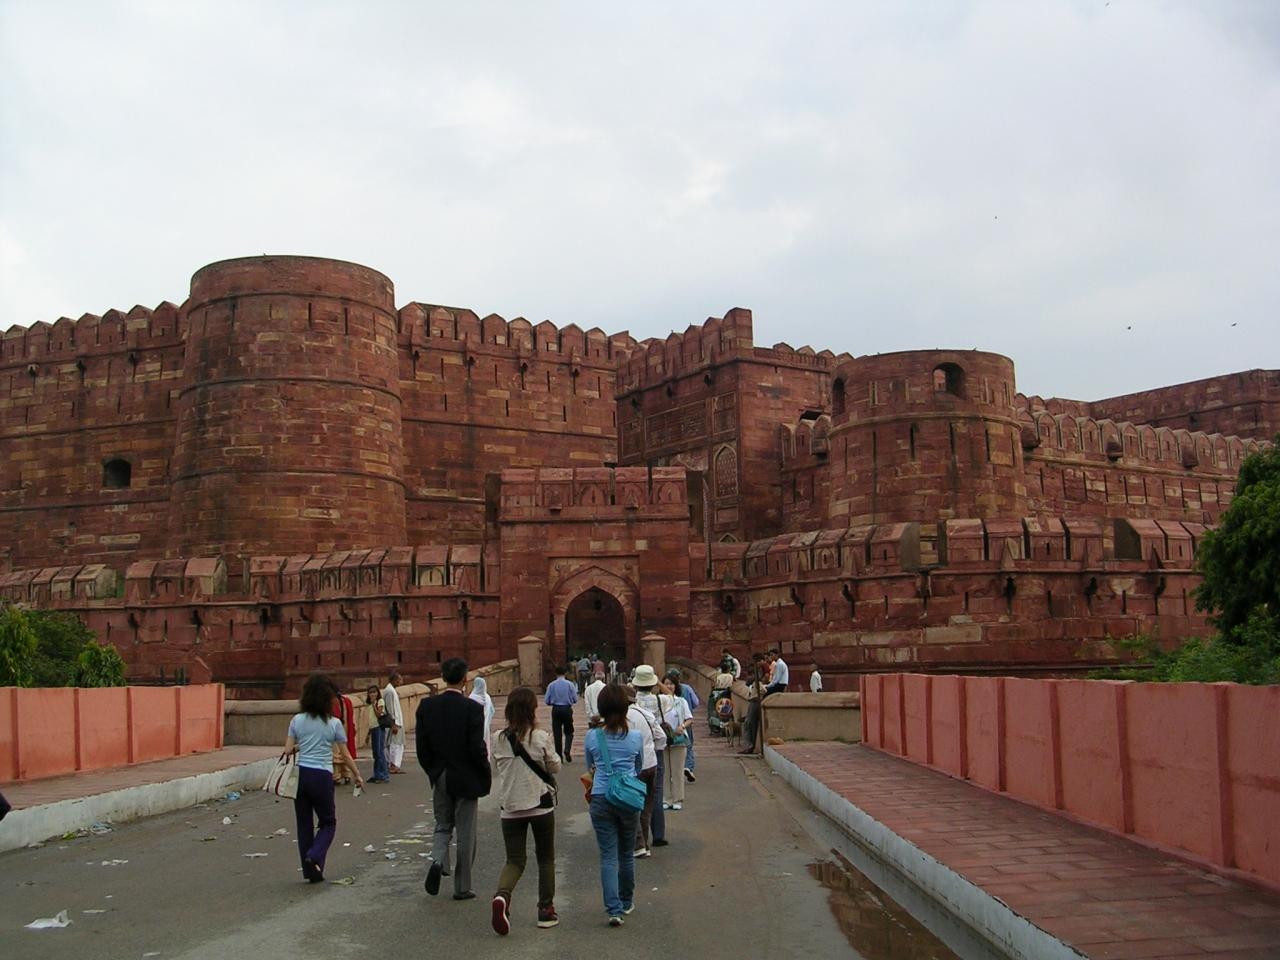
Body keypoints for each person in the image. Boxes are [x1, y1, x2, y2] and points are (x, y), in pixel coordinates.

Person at [417, 657, 492, 901]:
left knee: (442, 825)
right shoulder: (472, 708)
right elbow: (477, 747)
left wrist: (433, 771)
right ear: (465, 679)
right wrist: (484, 772)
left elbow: (422, 747)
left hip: (440, 774)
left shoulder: (427, 706)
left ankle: (438, 860)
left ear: (443, 677)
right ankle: (462, 887)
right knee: (466, 833)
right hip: (466, 775)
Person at [490, 687, 561, 934]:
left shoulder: (498, 738)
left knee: (515, 860)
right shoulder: (540, 737)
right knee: (546, 858)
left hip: (510, 807)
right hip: (540, 804)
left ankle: (502, 896)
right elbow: (555, 766)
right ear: (532, 710)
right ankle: (546, 910)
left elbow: (496, 764)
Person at [284, 673, 364, 883]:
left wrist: (303, 745)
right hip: (322, 775)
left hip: (302, 775)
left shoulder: (297, 720)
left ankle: (310, 870)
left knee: (304, 825)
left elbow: (288, 750)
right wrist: (357, 775)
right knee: (328, 822)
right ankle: (315, 856)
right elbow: (345, 754)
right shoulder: (334, 723)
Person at [584, 684, 644, 926]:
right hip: (628, 797)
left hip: (601, 796)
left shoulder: (592, 737)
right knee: (626, 854)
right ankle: (626, 901)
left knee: (608, 855)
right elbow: (639, 767)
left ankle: (613, 910)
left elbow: (590, 766)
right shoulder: (635, 737)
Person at [631, 665, 670, 853]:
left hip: (636, 748)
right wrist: (659, 683)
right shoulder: (660, 700)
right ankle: (659, 834)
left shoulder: (633, 702)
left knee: (637, 793)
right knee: (656, 792)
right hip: (656, 747)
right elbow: (670, 695)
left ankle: (640, 837)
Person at [624, 685, 660, 854]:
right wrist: (652, 749)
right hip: (651, 763)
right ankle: (645, 843)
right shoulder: (646, 714)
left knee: (632, 805)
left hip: (635, 765)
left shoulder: (625, 717)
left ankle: (638, 844)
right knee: (646, 807)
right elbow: (661, 736)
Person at [659, 677, 693, 810]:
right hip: (663, 739)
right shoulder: (659, 701)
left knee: (677, 771)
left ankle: (678, 799)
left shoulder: (681, 701)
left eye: (671, 684)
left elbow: (689, 718)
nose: (669, 686)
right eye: (666, 684)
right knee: (665, 771)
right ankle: (666, 798)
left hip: (678, 739)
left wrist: (682, 726)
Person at [665, 667, 701, 783]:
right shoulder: (687, 688)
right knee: (688, 743)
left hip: (672, 725)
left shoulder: (671, 698)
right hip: (684, 722)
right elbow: (696, 703)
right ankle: (688, 766)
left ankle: (674, 771)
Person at [544, 664, 578, 762]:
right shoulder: (570, 684)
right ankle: (567, 749)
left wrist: (553, 701)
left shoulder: (551, 685)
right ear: (565, 673)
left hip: (556, 709)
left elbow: (547, 700)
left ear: (556, 673)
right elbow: (575, 699)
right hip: (567, 709)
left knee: (557, 733)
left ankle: (559, 755)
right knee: (569, 731)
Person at [365, 684, 390, 783]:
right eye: (370, 692)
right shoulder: (369, 704)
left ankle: (383, 775)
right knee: (375, 754)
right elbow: (371, 720)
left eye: (374, 692)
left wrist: (373, 704)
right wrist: (368, 734)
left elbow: (379, 715)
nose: (372, 694)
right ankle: (377, 774)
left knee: (379, 752)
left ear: (377, 693)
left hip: (379, 728)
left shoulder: (380, 701)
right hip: (373, 728)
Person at [383, 671, 406, 774]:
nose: (401, 682)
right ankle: (393, 765)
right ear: (395, 680)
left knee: (397, 744)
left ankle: (394, 765)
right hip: (395, 723)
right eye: (399, 680)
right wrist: (393, 724)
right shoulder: (390, 692)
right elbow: (390, 709)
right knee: (394, 745)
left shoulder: (391, 690)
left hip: (397, 722)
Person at [470, 675, 496, 759]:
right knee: (485, 743)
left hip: (474, 726)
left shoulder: (472, 697)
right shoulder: (487, 697)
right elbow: (492, 711)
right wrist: (487, 720)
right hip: (485, 726)